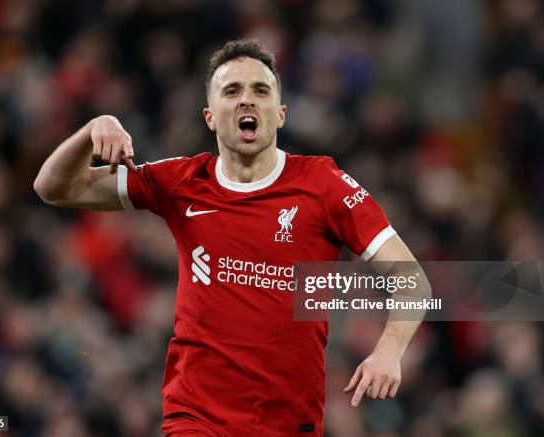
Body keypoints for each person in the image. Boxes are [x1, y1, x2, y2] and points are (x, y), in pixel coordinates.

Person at [34, 39, 425, 436]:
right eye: (232, 90)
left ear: (281, 113)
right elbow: (53, 188)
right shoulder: (181, 182)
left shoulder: (324, 185)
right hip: (196, 417)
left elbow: (412, 281)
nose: (247, 101)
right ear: (209, 116)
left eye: (260, 90)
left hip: (289, 421)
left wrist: (388, 352)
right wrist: (91, 131)